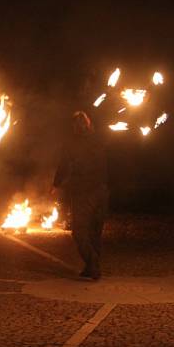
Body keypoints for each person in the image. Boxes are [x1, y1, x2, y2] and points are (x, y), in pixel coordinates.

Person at [52, 111, 109, 280]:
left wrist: (56, 184)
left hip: (85, 192)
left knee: (79, 231)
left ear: (75, 127)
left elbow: (63, 164)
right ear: (88, 124)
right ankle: (91, 266)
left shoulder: (73, 143)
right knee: (94, 231)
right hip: (102, 191)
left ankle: (92, 264)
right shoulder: (99, 140)